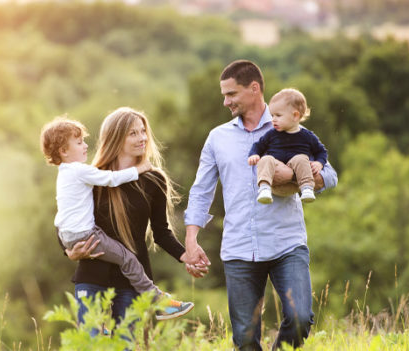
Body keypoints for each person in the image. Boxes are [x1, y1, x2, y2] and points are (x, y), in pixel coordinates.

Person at [183, 60, 338, 350]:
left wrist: (292, 175)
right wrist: (191, 240)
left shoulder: (292, 128)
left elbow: (330, 175)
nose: (226, 102)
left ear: (254, 89)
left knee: (300, 317)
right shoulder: (218, 138)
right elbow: (201, 191)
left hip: (286, 243)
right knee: (244, 338)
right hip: (239, 247)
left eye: (231, 94)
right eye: (224, 95)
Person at [39, 115, 193, 321]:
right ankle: (158, 300)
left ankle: (158, 301)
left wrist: (186, 256)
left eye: (143, 131)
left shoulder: (153, 180)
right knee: (93, 343)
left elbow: (161, 233)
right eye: (133, 133)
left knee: (127, 344)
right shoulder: (93, 176)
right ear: (116, 138)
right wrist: (69, 252)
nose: (143, 138)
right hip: (92, 277)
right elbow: (66, 218)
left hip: (131, 283)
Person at [248, 88, 328, 204]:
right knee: (266, 159)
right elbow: (258, 145)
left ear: (295, 116)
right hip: (275, 181)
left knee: (301, 158)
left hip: (295, 184)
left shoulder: (307, 136)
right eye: (272, 115)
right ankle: (264, 188)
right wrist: (254, 154)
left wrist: (319, 163)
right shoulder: (271, 134)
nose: (273, 120)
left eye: (278, 116)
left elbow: (321, 151)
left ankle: (307, 189)